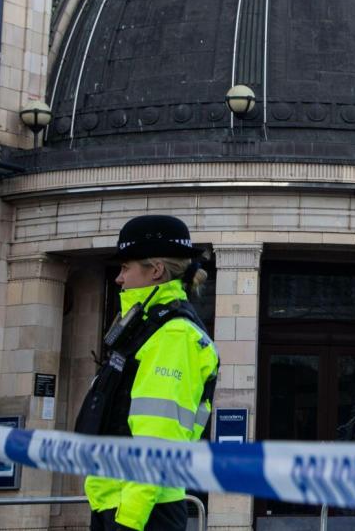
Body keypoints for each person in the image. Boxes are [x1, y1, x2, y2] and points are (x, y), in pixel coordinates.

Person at [75, 215, 220, 530]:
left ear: (156, 270)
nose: (119, 278)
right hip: (119, 501)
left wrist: (128, 519)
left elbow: (158, 435)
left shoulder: (174, 334)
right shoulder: (146, 326)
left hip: (139, 510)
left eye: (126, 267)